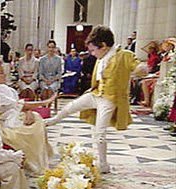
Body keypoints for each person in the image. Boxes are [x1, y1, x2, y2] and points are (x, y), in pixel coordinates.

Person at [45, 25, 146, 173]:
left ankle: (103, 165)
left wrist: (141, 68)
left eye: (93, 50)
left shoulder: (123, 55)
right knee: (70, 106)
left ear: (103, 46)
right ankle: (50, 121)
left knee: (100, 133)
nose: (91, 54)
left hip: (109, 99)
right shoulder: (101, 57)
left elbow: (136, 65)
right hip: (96, 93)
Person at [0, 57, 55, 175]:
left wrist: (28, 112)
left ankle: (40, 157)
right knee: (33, 127)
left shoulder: (4, 88)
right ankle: (33, 162)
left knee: (36, 118)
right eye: (1, 73)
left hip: (14, 116)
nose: (4, 75)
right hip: (4, 122)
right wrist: (43, 102)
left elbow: (17, 106)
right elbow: (19, 104)